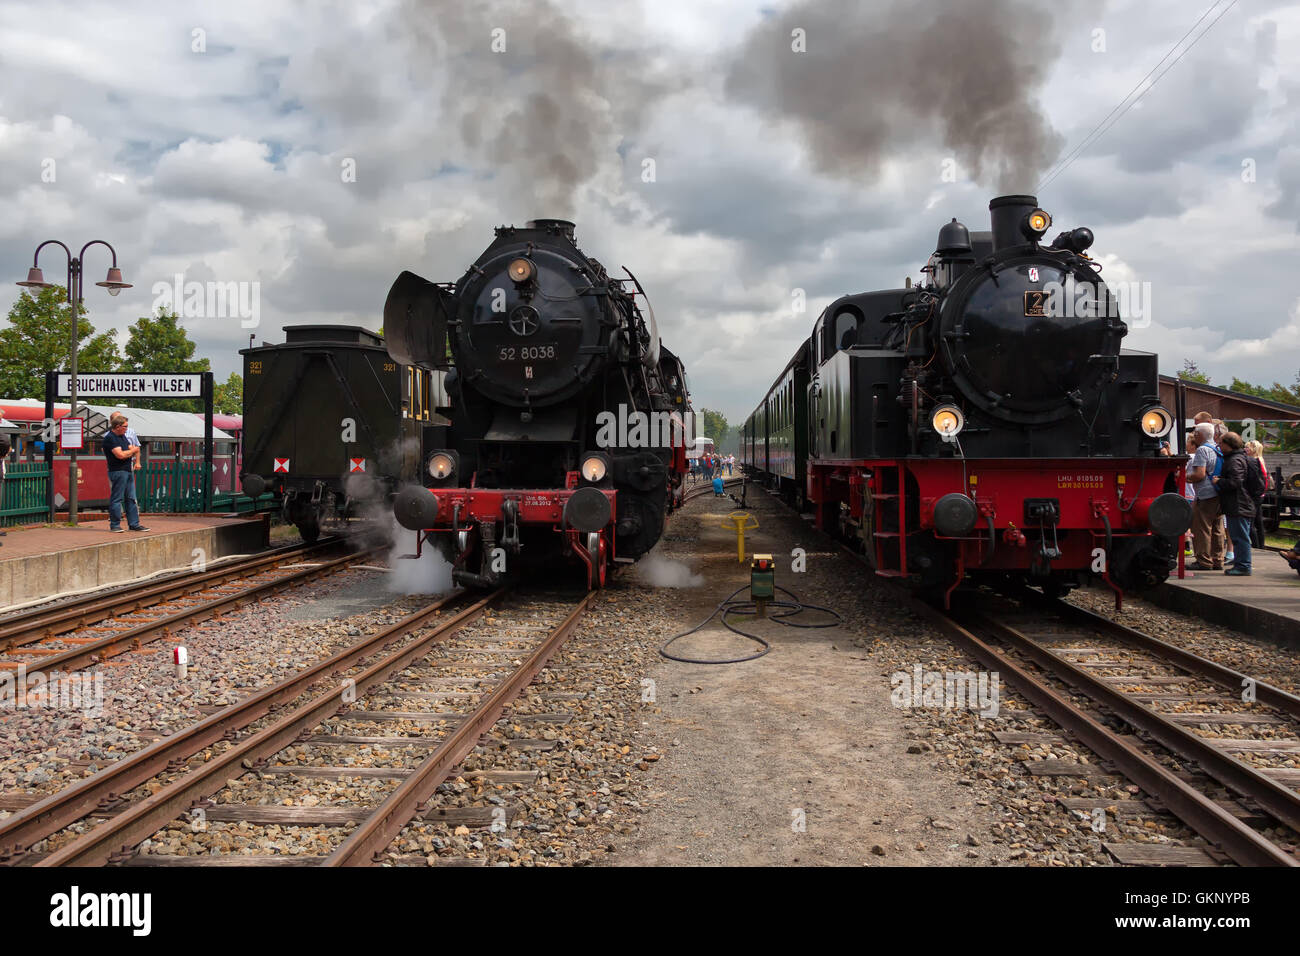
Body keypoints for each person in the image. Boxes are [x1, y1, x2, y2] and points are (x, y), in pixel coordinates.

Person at [1186, 422, 1224, 570]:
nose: (1194, 435)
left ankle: (1203, 561)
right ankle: (1217, 560)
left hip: (1206, 494)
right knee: (1217, 527)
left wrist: (1185, 477)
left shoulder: (1202, 450)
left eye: (1195, 433)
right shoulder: (1217, 447)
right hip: (1218, 491)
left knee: (1202, 528)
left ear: (1199, 435)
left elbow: (1199, 474)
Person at [1214, 432, 1254, 575]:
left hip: (1238, 504)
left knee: (1239, 537)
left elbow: (1235, 482)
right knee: (1240, 536)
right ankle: (1242, 564)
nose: (1219, 445)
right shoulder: (1239, 458)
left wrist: (1219, 481)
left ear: (1228, 444)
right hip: (1241, 503)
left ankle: (1243, 566)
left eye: (1221, 443)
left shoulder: (1234, 460)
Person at [103, 414, 148, 533]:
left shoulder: (122, 436)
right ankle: (115, 524)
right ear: (118, 426)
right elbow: (121, 455)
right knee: (117, 498)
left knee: (131, 498)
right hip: (118, 471)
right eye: (125, 426)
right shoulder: (110, 438)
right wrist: (132, 451)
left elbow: (131, 450)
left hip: (127, 470)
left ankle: (134, 524)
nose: (127, 429)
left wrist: (130, 451)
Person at [1246, 440, 1269, 548]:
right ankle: (1261, 545)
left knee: (1251, 522)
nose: (1245, 450)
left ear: (1253, 450)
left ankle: (1256, 545)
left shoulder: (1253, 462)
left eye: (1247, 448)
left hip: (1254, 495)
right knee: (1258, 521)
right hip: (1261, 494)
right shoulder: (1261, 460)